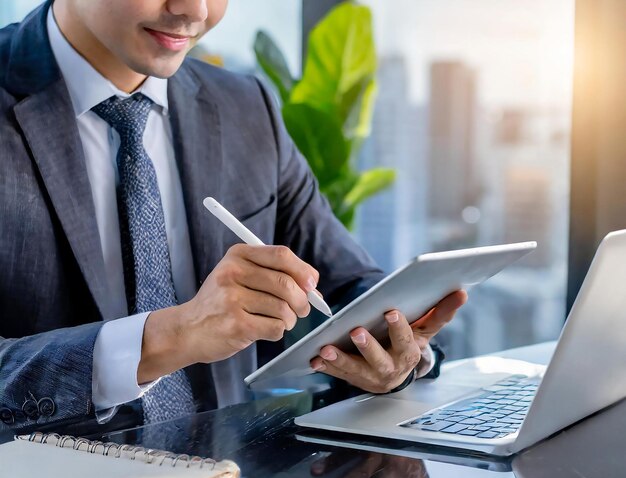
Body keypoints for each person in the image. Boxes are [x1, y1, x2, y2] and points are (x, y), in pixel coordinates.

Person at [0, 0, 466, 429]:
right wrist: (169, 337)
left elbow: (347, 283)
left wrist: (394, 351)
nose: (194, 10)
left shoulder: (246, 107)